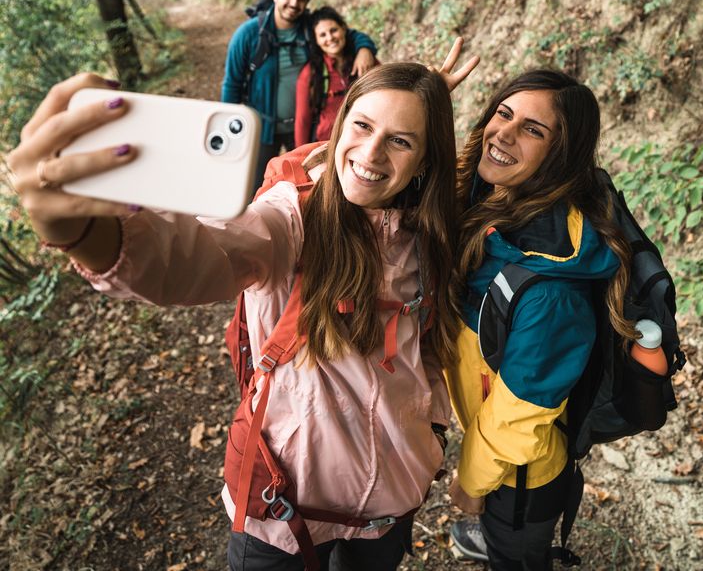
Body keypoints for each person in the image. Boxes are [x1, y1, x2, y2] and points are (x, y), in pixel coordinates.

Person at [9, 46, 479, 571]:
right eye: (362, 126)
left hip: (387, 510)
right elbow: (200, 257)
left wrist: (419, 100)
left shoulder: (431, 233)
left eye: (398, 141)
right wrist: (87, 234)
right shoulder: (293, 218)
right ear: (341, 124)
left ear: (426, 159)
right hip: (282, 516)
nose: (370, 154)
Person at [446, 69, 636, 571]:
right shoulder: (495, 203)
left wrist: (470, 481)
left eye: (533, 129)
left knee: (517, 557)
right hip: (496, 455)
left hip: (520, 477)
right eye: (503, 113)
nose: (503, 133)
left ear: (561, 155)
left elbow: (520, 416)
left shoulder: (551, 289)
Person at [221, 0, 377, 190]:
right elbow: (231, 84)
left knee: (305, 183)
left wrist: (364, 48)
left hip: (305, 125)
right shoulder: (248, 34)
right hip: (262, 127)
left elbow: (346, 33)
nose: (294, 3)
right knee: (255, 187)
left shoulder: (309, 28)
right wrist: (230, 131)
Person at [294, 6, 361, 147]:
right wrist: (300, 158)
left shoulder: (362, 61)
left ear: (343, 28)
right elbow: (302, 121)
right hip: (326, 147)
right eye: (322, 35)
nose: (330, 38)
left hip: (361, 144)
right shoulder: (310, 74)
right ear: (316, 41)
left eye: (334, 30)